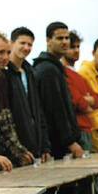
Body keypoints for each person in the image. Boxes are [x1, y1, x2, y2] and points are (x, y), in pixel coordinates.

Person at [0, 32, 34, 168]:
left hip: (0, 154)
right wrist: (15, 152)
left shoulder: (3, 78)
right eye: (0, 52)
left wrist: (19, 150)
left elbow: (8, 119)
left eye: (8, 53)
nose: (5, 57)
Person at [33, 21, 83, 160]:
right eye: (59, 38)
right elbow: (55, 110)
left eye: (67, 38)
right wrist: (70, 142)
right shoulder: (48, 70)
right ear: (48, 40)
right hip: (57, 146)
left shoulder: (55, 67)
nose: (65, 42)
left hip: (60, 143)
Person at [5, 27, 52, 164]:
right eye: (22, 43)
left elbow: (38, 111)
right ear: (11, 43)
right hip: (15, 151)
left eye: (29, 44)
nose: (26, 47)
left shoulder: (30, 72)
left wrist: (45, 146)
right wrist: (17, 150)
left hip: (35, 147)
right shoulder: (5, 73)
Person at [61, 30, 98, 152]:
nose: (76, 50)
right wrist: (87, 102)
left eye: (78, 47)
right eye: (72, 47)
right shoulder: (63, 73)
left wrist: (87, 101)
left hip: (87, 128)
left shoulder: (79, 76)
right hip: (77, 130)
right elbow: (78, 102)